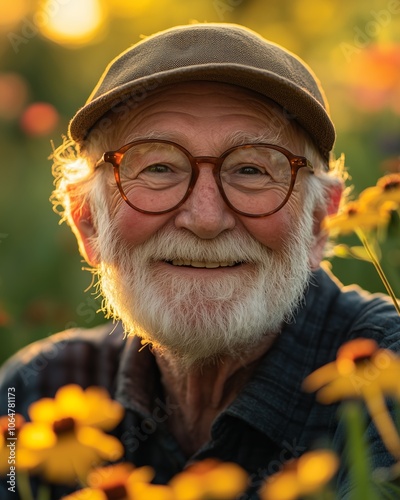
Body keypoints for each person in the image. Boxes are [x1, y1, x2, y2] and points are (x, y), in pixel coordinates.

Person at [1, 23, 399, 499]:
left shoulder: (388, 383)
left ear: (317, 222)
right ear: (89, 223)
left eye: (252, 168)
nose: (206, 218)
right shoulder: (30, 394)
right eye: (158, 168)